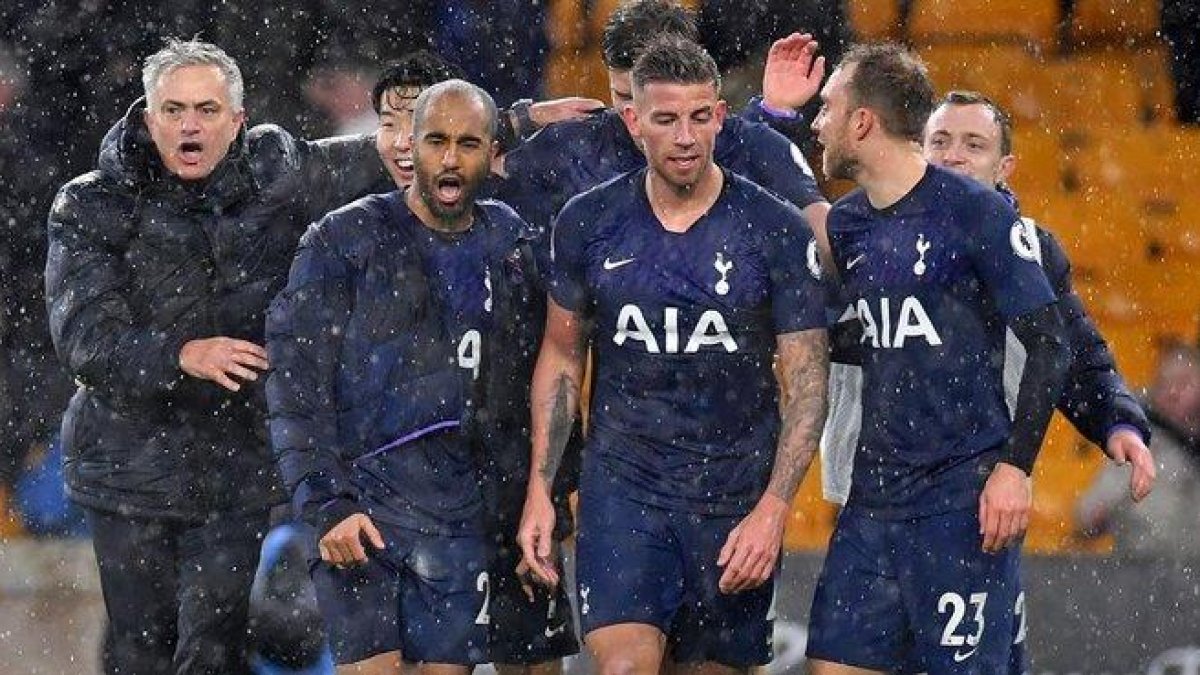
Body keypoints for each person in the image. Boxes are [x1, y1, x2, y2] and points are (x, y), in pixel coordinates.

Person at [45, 38, 389, 674]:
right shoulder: (89, 204)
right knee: (141, 649)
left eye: (206, 109)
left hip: (233, 464)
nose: (189, 125)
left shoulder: (278, 173)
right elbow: (85, 340)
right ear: (148, 118)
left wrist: (513, 123)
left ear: (238, 120)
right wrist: (181, 354)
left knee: (214, 651)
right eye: (173, 110)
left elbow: (387, 155)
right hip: (126, 468)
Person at [517, 37, 830, 673]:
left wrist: (774, 510)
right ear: (634, 122)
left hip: (733, 497)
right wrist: (540, 489)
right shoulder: (588, 221)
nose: (684, 137)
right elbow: (562, 356)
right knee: (626, 666)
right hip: (624, 489)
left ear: (719, 115)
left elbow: (807, 382)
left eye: (698, 118)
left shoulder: (774, 230)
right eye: (665, 119)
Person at [804, 43, 1071, 674]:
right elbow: (869, 335)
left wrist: (1015, 469)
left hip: (959, 502)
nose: (819, 122)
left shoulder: (975, 212)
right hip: (871, 502)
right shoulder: (847, 225)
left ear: (862, 122)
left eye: (828, 107)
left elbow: (1051, 343)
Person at [265, 78, 538, 673]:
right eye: (436, 140)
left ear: (492, 156)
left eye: (468, 143)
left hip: (460, 517)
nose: (449, 158)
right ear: (408, 147)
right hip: (362, 511)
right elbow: (294, 386)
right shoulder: (342, 240)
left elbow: (532, 379)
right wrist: (327, 502)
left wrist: (540, 499)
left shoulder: (511, 243)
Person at [365, 50, 584, 674]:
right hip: (402, 507)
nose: (409, 141)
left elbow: (552, 361)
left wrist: (552, 486)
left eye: (431, 125)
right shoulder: (343, 235)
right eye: (394, 122)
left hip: (509, 490)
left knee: (533, 660)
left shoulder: (520, 231)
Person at [922, 90, 1156, 503]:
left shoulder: (1032, 252)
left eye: (973, 145)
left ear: (1004, 167)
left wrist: (1117, 421)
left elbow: (1076, 351)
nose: (952, 155)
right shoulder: (870, 234)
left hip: (978, 490)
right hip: (876, 494)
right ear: (919, 152)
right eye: (939, 141)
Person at [494, 0, 831, 252]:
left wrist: (774, 117)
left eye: (652, 104)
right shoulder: (574, 144)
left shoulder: (742, 142)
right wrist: (516, 120)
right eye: (622, 96)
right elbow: (461, 178)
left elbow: (815, 231)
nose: (633, 116)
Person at [1077, 343, 1200, 558]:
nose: (1173, 393)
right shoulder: (1136, 442)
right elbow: (1088, 516)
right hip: (1144, 575)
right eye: (1164, 384)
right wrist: (1101, 512)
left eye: (1183, 383)